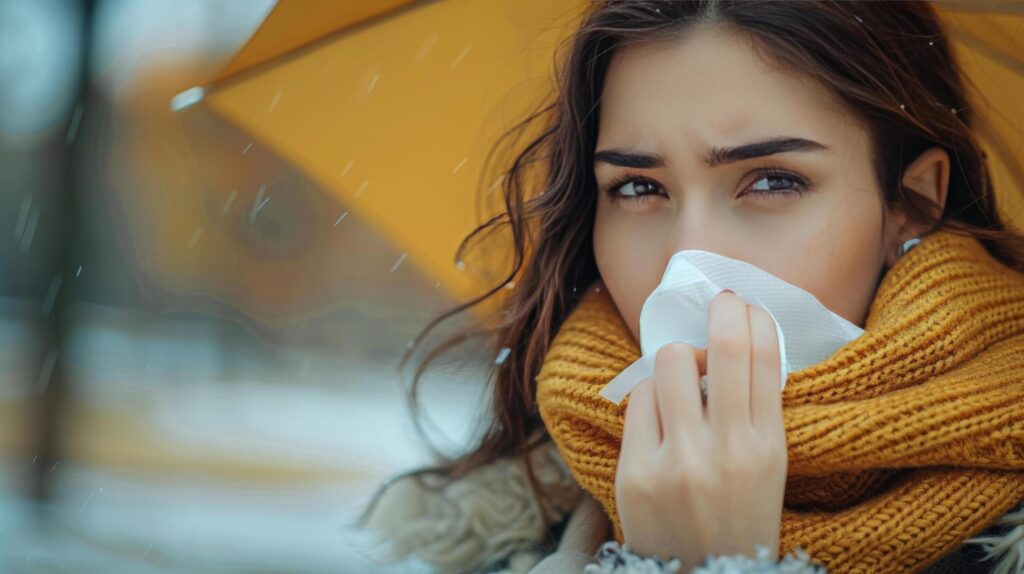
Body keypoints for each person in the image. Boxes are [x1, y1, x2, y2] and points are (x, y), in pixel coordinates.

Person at [356, 1, 1024, 572]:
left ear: (911, 202)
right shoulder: (504, 530)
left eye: (771, 181)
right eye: (639, 188)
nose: (690, 260)